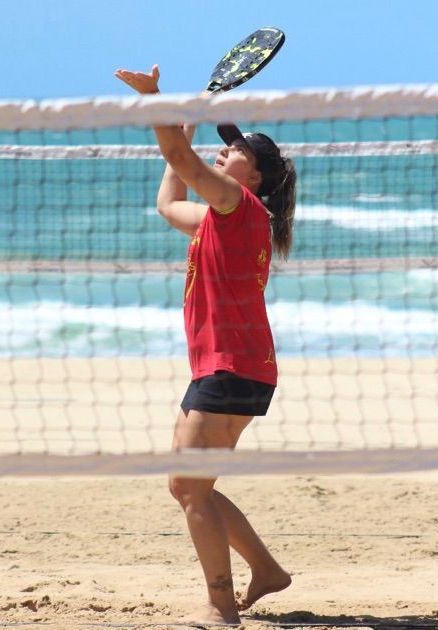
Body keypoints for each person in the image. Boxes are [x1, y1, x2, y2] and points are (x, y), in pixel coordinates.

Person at [115, 64, 296, 626]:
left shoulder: (238, 205)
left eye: (236, 149)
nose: (225, 151)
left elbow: (180, 161)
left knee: (189, 487)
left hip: (231, 366)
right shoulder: (224, 217)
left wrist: (157, 102)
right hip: (231, 365)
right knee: (192, 485)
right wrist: (185, 125)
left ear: (255, 176)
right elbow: (168, 201)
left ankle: (221, 605)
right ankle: (266, 570)